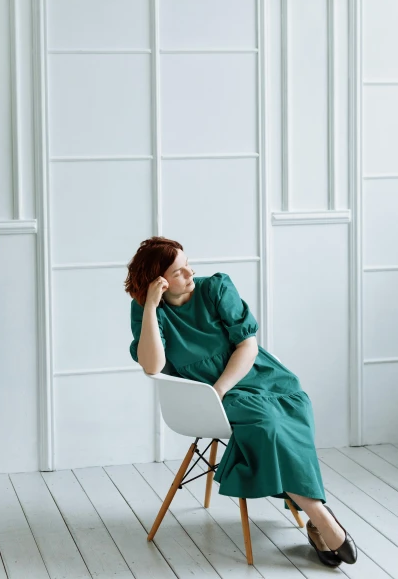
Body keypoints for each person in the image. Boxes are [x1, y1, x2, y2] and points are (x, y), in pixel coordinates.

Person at [125, 236, 358, 567]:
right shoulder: (148, 311)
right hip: (202, 395)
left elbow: (247, 346)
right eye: (179, 271)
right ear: (157, 282)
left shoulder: (216, 289)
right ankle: (321, 518)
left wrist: (220, 389)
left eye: (188, 263)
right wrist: (150, 305)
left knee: (293, 409)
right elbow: (152, 365)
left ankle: (318, 517)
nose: (190, 273)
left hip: (250, 375)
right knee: (268, 426)